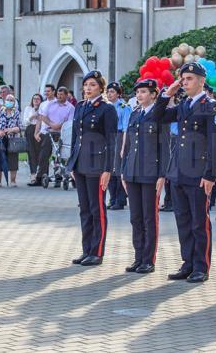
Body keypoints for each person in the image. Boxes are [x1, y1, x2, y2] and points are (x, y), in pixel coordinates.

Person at [154, 62, 216, 283]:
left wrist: (210, 175)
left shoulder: (212, 106)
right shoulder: (184, 104)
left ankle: (201, 266)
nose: (185, 82)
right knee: (183, 221)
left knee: (199, 222)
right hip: (179, 172)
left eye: (189, 78)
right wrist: (167, 94)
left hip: (199, 173)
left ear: (202, 81)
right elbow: (157, 117)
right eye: (182, 79)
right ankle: (188, 263)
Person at [67, 70, 118, 267]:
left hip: (97, 166)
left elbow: (112, 141)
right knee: (85, 209)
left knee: (97, 209)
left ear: (101, 88)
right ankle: (86, 249)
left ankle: (97, 252)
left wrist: (108, 169)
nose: (88, 88)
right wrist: (72, 161)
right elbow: (75, 137)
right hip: (80, 163)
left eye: (92, 85)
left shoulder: (107, 109)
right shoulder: (80, 106)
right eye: (86, 85)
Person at [121, 78, 167, 274]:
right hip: (132, 172)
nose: (139, 95)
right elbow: (128, 146)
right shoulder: (134, 114)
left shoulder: (159, 115)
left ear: (154, 94)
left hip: (150, 173)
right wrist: (124, 170)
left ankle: (148, 260)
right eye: (137, 92)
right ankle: (138, 257)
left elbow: (165, 147)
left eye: (144, 92)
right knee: (135, 217)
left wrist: (162, 174)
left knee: (150, 218)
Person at [107, 82, 132, 210]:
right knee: (110, 169)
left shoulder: (124, 106)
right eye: (108, 91)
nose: (109, 94)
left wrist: (123, 147)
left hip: (120, 136)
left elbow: (126, 128)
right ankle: (112, 198)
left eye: (112, 91)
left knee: (118, 170)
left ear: (118, 93)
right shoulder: (107, 106)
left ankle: (120, 200)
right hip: (109, 137)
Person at [0, 94, 22, 187]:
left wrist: (11, 130)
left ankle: (13, 181)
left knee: (13, 160)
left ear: (14, 102)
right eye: (8, 99)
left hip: (12, 140)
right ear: (5, 101)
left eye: (11, 100)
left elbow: (20, 127)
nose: (9, 101)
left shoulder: (16, 112)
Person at [23, 93, 43, 182]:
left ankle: (41, 174)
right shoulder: (28, 108)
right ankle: (33, 174)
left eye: (38, 99)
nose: (35, 100)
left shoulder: (43, 108)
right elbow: (25, 123)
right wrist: (32, 116)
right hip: (30, 129)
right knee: (31, 152)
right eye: (34, 98)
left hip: (40, 130)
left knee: (40, 152)